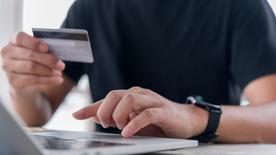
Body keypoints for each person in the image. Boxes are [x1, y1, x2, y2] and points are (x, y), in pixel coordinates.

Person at [1, 0, 276, 143]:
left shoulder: (240, 7)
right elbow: (38, 112)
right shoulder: (90, 7)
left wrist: (193, 117)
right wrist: (22, 87)